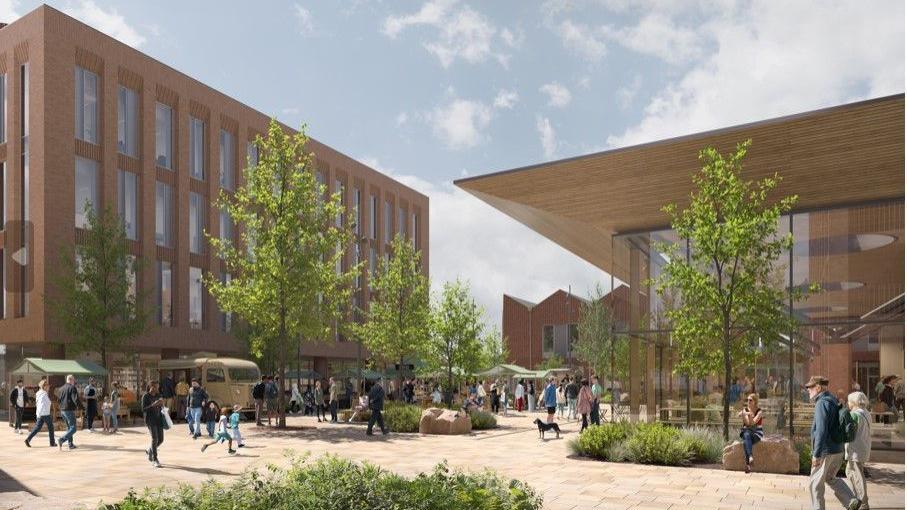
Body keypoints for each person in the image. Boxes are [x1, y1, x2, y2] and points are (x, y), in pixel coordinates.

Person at [806, 376, 858, 510]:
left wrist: (816, 454)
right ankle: (851, 500)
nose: (808, 390)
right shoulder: (834, 400)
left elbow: (821, 430)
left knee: (815, 484)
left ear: (818, 388)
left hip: (825, 451)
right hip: (838, 449)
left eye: (810, 388)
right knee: (830, 478)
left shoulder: (822, 403)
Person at [845, 392, 871, 510]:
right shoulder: (866, 413)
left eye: (849, 401)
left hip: (855, 450)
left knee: (856, 476)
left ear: (854, 402)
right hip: (863, 448)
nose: (848, 403)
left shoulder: (855, 415)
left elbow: (848, 434)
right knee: (851, 473)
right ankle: (858, 500)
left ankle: (862, 503)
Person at [737, 393, 764, 474]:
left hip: (756, 433)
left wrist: (749, 416)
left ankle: (748, 464)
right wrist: (745, 415)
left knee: (746, 439)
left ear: (755, 401)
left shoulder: (759, 411)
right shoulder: (746, 410)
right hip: (747, 431)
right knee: (746, 435)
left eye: (750, 400)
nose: (748, 402)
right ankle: (750, 457)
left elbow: (753, 423)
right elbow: (747, 423)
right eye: (747, 400)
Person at [24, 379, 55, 448]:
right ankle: (52, 443)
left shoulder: (39, 393)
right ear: (44, 386)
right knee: (51, 427)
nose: (49, 386)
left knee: (37, 428)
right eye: (47, 385)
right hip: (45, 413)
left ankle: (28, 439)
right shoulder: (43, 394)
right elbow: (42, 404)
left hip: (40, 413)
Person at [141, 381, 165, 468]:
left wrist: (162, 404)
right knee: (155, 438)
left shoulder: (159, 395)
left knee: (161, 440)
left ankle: (150, 450)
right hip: (150, 420)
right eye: (155, 387)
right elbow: (143, 409)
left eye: (157, 387)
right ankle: (155, 459)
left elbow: (162, 406)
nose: (156, 389)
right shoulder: (146, 396)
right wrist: (153, 405)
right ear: (150, 387)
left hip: (159, 419)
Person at [57, 374, 82, 450]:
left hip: (62, 410)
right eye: (73, 380)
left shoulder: (61, 389)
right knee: (73, 428)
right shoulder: (72, 387)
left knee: (69, 428)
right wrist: (81, 407)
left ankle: (70, 444)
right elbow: (75, 399)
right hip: (69, 410)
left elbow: (58, 400)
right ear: (71, 380)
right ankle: (62, 439)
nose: (74, 382)